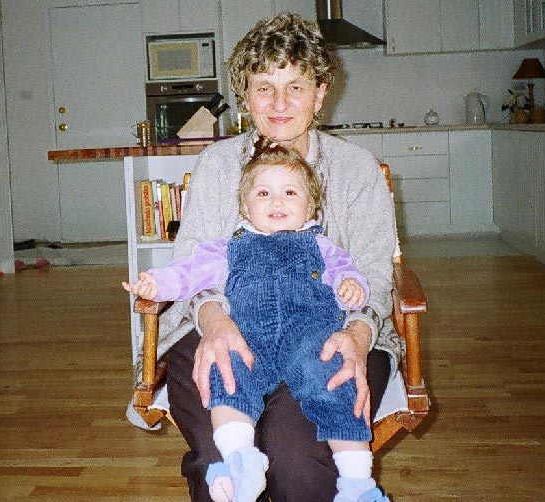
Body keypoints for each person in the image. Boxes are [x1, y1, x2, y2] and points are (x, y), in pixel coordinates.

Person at [135, 12, 402, 501]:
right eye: (264, 88)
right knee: (217, 442)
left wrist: (358, 334)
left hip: (327, 333)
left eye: (295, 87)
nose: (279, 104)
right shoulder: (218, 165)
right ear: (245, 96)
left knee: (296, 458)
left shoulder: (356, 170)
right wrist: (216, 322)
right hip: (223, 320)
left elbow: (374, 274)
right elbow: (195, 263)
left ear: (320, 94)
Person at [124, 141, 386, 501]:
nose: (277, 202)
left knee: (331, 382)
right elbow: (189, 271)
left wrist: (351, 287)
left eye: (290, 193)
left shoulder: (322, 247)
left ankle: (357, 483)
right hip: (249, 337)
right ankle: (240, 461)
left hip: (309, 338)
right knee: (227, 374)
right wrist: (157, 283)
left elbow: (350, 275)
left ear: (310, 207)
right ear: (246, 208)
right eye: (264, 193)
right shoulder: (229, 247)